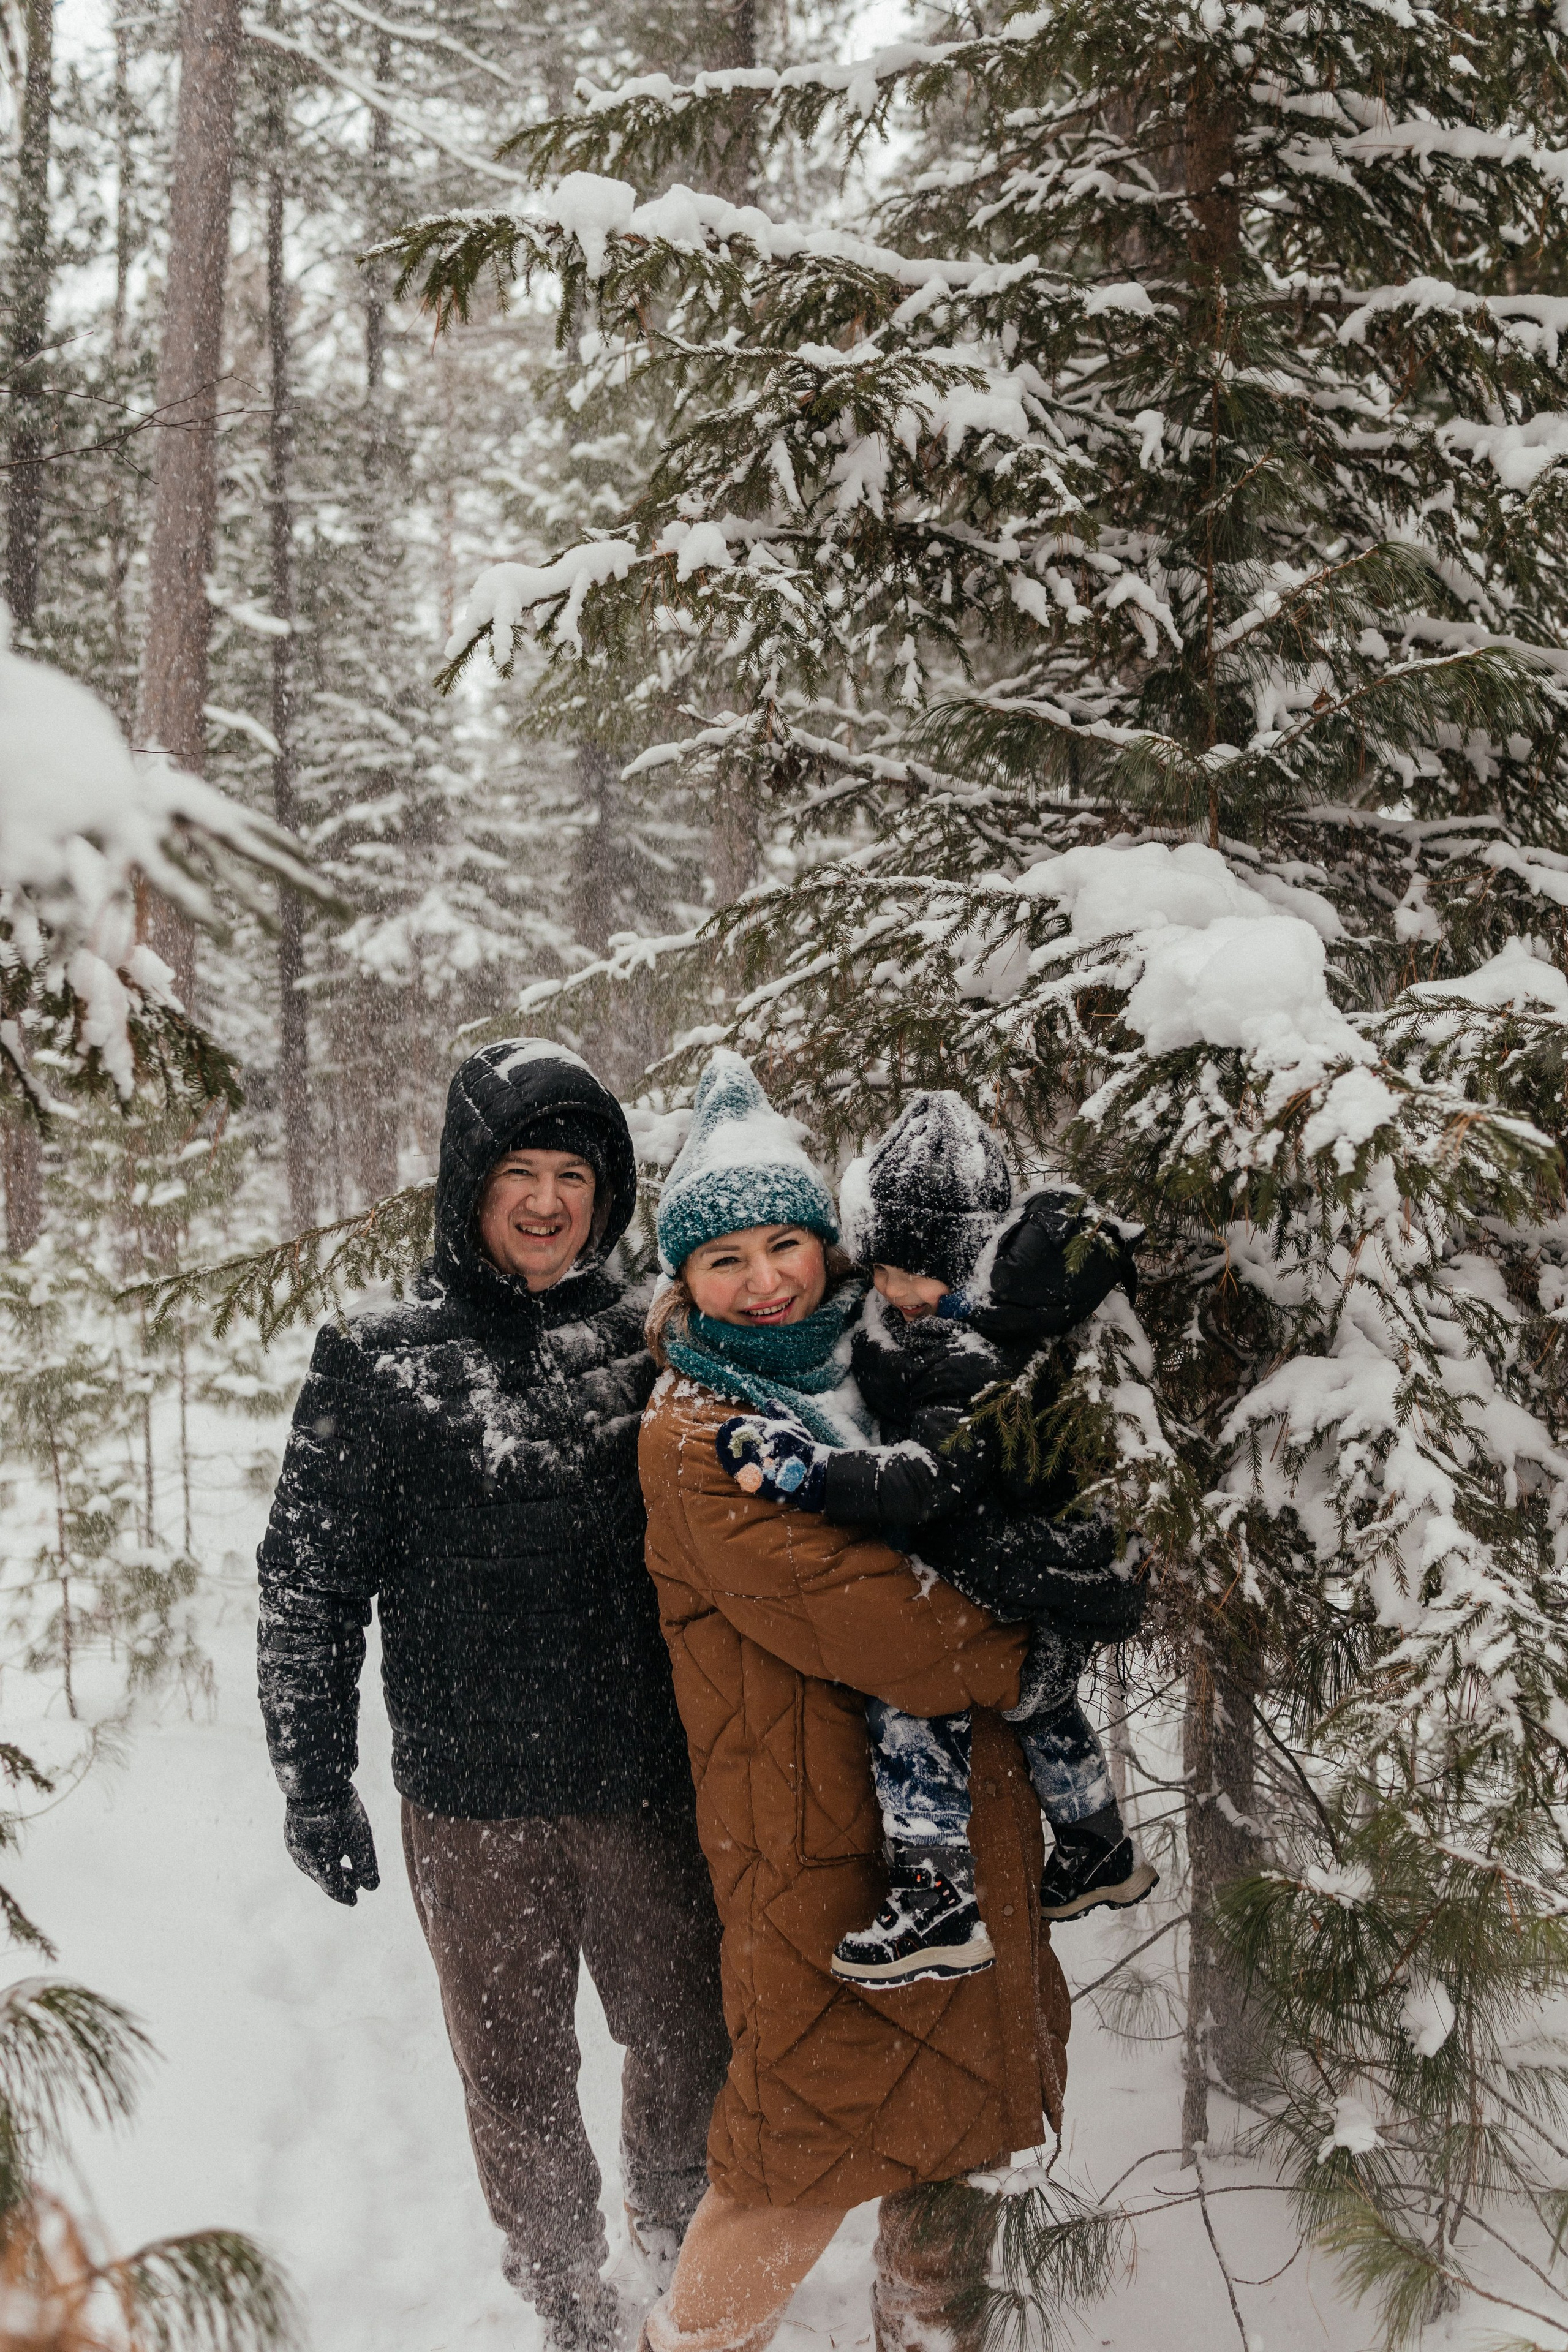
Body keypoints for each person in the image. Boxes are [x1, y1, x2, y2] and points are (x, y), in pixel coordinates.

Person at [256, 1039, 729, 2352]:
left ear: (606, 1188)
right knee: (518, 2081)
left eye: (570, 1174)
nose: (543, 1201)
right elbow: (306, 1581)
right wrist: (312, 1776)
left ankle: (683, 2258)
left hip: (644, 1782)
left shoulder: (655, 1333)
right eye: (516, 1171)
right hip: (473, 1807)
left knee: (687, 2039)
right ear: (468, 1186)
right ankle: (572, 2306)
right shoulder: (377, 1360)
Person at [635, 1050, 1072, 2352]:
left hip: (944, 1845)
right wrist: (1031, 1640)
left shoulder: (878, 1373)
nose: (764, 1277)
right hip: (812, 1853)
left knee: (951, 2143)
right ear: (684, 1283)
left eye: (786, 1244)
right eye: (726, 1260)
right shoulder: (698, 1433)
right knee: (790, 2170)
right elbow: (870, 1617)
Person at [715, 1091, 1156, 1989]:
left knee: (910, 1700)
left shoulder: (965, 1358)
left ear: (964, 1263)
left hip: (998, 1572)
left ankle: (936, 1892)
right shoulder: (979, 1325)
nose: (887, 1291)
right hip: (1040, 1585)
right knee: (1045, 1704)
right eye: (877, 1268)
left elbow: (921, 1482)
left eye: (909, 1274)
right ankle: (1096, 1845)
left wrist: (808, 1472)